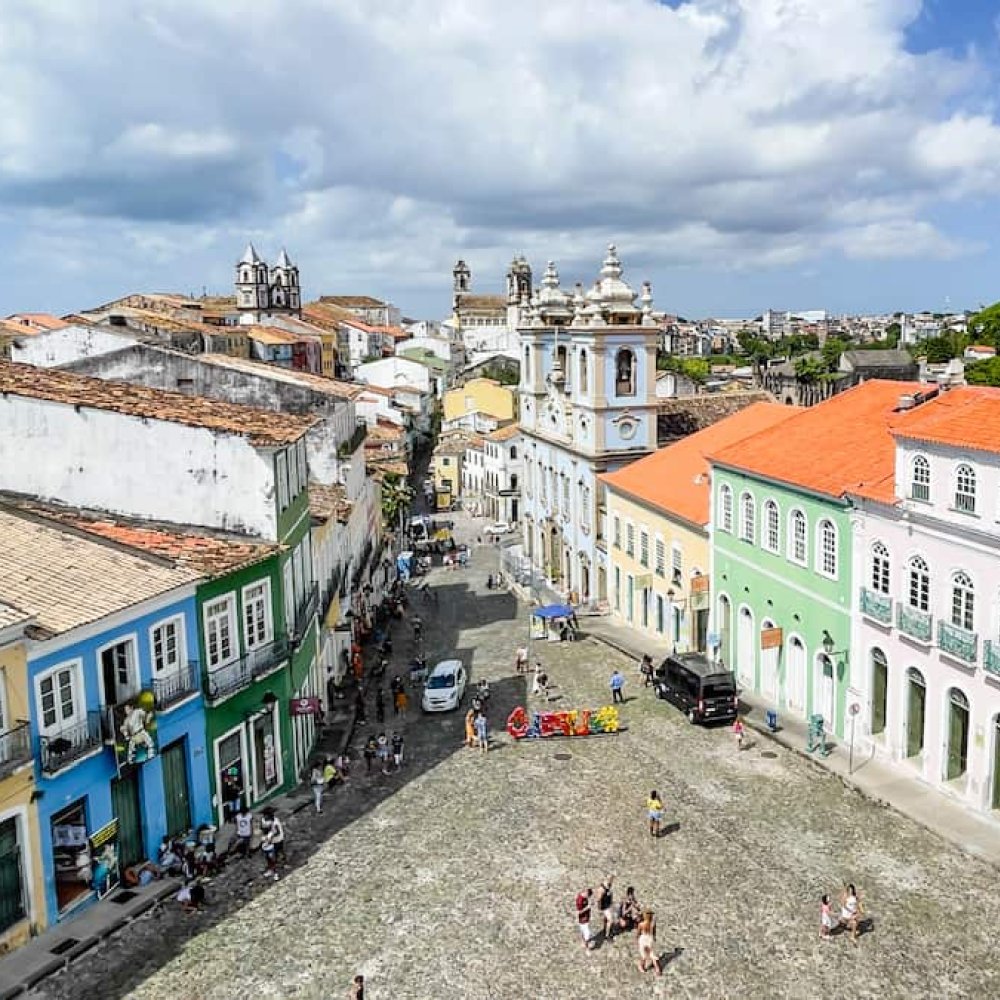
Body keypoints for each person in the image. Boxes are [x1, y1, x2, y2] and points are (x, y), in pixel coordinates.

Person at [636, 910, 662, 976]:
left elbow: (638, 934)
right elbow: (654, 932)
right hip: (650, 939)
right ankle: (657, 969)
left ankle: (642, 966)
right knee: (653, 955)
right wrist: (654, 938)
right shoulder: (653, 923)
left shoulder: (641, 924)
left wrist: (637, 940)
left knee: (644, 955)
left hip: (643, 939)